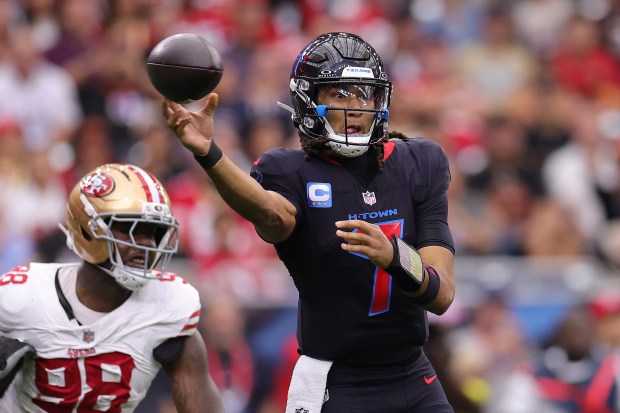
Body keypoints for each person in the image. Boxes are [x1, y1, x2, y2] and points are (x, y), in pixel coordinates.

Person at [163, 32, 456, 413]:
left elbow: (442, 294)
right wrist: (210, 154)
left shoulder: (419, 163)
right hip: (336, 380)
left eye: (364, 94)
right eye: (340, 94)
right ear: (308, 100)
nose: (356, 107)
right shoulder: (290, 171)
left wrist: (394, 256)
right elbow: (269, 212)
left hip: (413, 375)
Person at [0, 163, 225, 413]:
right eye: (131, 230)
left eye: (154, 232)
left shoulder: (169, 305)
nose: (146, 245)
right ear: (87, 229)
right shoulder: (23, 297)